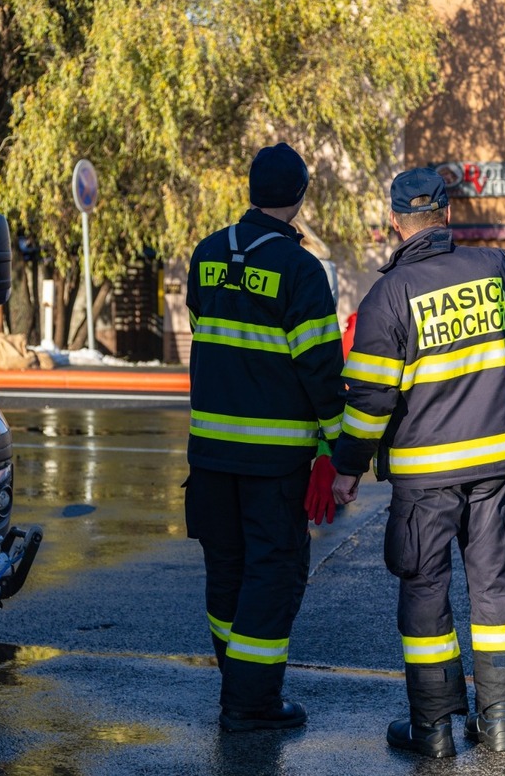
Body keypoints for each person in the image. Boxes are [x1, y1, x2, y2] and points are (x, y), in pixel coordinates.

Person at [331, 167, 505, 758]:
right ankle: (497, 726)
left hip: (425, 477)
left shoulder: (386, 298)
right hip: (494, 464)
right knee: (495, 591)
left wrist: (347, 467)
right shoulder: (496, 269)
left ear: (395, 223)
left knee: (426, 592)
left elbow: (371, 399)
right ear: (446, 214)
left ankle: (435, 732)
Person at [184, 142, 346, 732]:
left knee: (226, 569)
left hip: (209, 455)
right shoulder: (301, 271)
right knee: (272, 575)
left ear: (251, 189)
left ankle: (238, 683)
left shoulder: (205, 254)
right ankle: (250, 704)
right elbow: (321, 369)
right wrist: (338, 449)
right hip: (273, 463)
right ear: (300, 197)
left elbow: (208, 332)